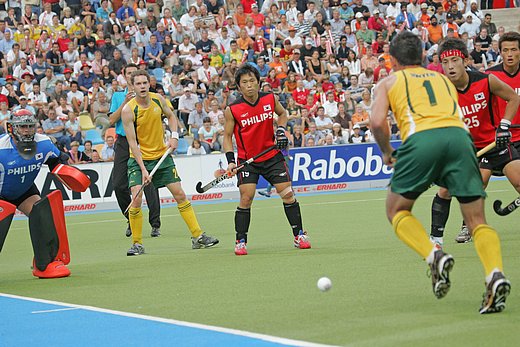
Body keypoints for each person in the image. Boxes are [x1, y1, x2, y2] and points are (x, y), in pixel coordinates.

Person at [370, 32, 510, 314]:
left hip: (422, 139)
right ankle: (494, 274)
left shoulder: (389, 81)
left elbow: (376, 122)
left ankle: (434, 255)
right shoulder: (442, 80)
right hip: (460, 140)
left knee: (396, 209)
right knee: (476, 219)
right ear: (423, 57)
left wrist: (387, 152)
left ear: (393, 60)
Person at [429, 38, 520, 246]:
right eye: (445, 62)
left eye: (455, 60)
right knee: (446, 189)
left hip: (495, 144)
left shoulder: (486, 80)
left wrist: (504, 125)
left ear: (466, 60)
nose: (450, 66)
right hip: (465, 149)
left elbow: (514, 98)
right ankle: (436, 239)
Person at [121, 69, 219, 256]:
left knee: (180, 194)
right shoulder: (128, 110)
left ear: (149, 84)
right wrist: (143, 169)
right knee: (136, 199)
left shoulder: (158, 99)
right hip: (138, 159)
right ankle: (137, 243)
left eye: (145, 83)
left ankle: (197, 236)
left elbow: (172, 116)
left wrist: (174, 137)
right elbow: (132, 143)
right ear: (132, 86)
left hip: (162, 156)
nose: (142, 86)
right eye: (138, 84)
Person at [223, 63, 311, 256]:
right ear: (239, 87)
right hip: (248, 160)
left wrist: (280, 131)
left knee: (288, 194)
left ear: (258, 82)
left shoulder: (270, 98)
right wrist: (231, 161)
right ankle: (241, 240)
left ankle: (299, 235)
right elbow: (227, 137)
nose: (249, 85)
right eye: (244, 82)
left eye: (252, 81)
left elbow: (282, 114)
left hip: (272, 157)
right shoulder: (233, 109)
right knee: (246, 198)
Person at [0, 109, 90, 278]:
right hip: (1, 192)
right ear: (12, 128)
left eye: (30, 126)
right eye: (22, 127)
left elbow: (57, 161)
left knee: (42, 215)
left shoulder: (44, 143)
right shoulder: (1, 149)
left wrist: (70, 176)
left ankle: (44, 263)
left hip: (24, 190)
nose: (27, 130)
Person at [108, 64, 162, 238]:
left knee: (150, 183)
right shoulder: (117, 96)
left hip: (144, 140)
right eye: (129, 73)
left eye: (135, 73)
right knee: (118, 184)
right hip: (124, 143)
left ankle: (155, 223)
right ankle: (131, 218)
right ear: (125, 76)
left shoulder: (147, 96)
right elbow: (110, 120)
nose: (132, 77)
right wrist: (125, 102)